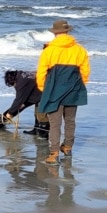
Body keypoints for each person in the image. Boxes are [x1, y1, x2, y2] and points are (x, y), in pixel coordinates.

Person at [36, 20, 90, 165]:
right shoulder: (80, 49)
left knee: (55, 123)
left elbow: (41, 73)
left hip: (53, 89)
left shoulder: (49, 50)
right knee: (70, 121)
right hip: (73, 88)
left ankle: (53, 154)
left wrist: (43, 88)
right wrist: (79, 85)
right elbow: (85, 72)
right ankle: (67, 147)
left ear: (55, 33)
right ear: (67, 32)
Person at [3, 70, 49, 139]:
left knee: (41, 114)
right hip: (40, 91)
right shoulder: (22, 75)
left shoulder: (21, 82)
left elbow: (19, 100)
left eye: (13, 84)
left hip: (46, 92)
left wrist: (10, 113)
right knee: (37, 113)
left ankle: (44, 134)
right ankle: (36, 130)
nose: (14, 86)